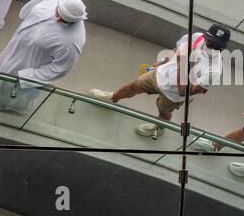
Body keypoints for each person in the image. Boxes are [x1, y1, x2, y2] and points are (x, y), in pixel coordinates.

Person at [91, 24, 231, 138]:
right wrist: (163, 61)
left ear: (223, 47)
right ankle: (112, 98)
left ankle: (160, 126)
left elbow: (184, 92)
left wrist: (183, 66)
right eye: (210, 42)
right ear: (205, 37)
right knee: (133, 86)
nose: (212, 46)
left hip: (173, 94)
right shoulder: (197, 37)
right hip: (160, 74)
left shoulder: (214, 70)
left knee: (163, 110)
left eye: (217, 46)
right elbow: (177, 49)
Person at [0, 0, 87, 113]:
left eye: (61, 19)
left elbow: (60, 69)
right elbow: (40, 0)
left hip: (29, 63)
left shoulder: (72, 43)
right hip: (19, 45)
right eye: (57, 12)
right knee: (4, 66)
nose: (56, 17)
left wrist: (28, 77)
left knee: (10, 87)